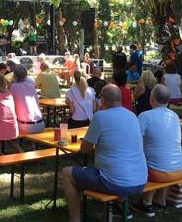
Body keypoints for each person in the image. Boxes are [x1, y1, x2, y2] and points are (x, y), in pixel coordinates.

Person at [62, 84, 147, 222]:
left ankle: (74, 219)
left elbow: (86, 149)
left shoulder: (100, 116)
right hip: (140, 180)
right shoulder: (132, 116)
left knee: (67, 172)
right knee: (108, 169)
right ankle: (107, 212)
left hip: (116, 182)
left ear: (103, 99)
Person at [132, 84, 182, 217]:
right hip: (178, 169)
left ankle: (146, 203)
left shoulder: (145, 116)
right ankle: (161, 198)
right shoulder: (175, 116)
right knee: (161, 155)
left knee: (146, 158)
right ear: (168, 100)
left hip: (157, 172)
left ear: (152, 99)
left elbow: (134, 140)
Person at [11, 65, 44, 134]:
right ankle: (30, 144)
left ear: (14, 75)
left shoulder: (13, 87)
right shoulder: (31, 85)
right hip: (41, 123)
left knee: (6, 132)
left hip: (26, 126)